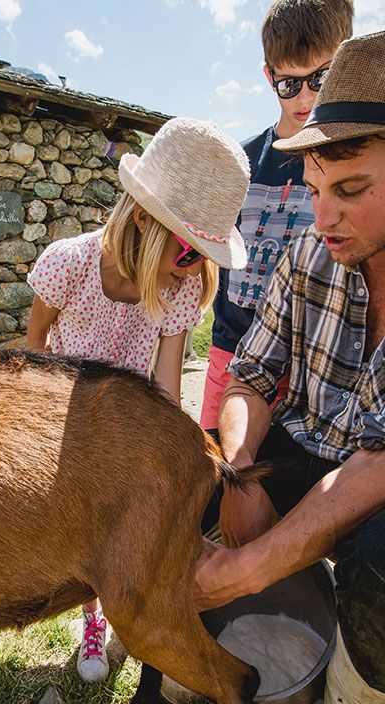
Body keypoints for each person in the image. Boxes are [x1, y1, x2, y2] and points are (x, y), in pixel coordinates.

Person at [195, 31, 385, 704]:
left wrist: (250, 566)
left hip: (374, 477)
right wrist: (240, 473)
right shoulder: (311, 254)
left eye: (351, 189)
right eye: (313, 188)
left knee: (382, 560)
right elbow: (248, 376)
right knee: (196, 478)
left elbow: (376, 464)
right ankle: (203, 643)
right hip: (313, 449)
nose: (323, 215)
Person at [26, 117, 250, 682]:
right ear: (145, 220)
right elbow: (35, 346)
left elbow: (169, 387)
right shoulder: (68, 264)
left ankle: (126, 611)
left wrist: (175, 459)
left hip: (127, 424)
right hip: (65, 416)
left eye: (205, 256)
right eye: (190, 253)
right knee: (79, 527)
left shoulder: (181, 288)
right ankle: (92, 618)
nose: (194, 270)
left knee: (122, 525)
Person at [199, 0, 354, 436]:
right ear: (269, 77)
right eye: (289, 83)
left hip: (314, 367)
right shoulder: (241, 162)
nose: (305, 97)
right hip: (232, 353)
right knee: (215, 465)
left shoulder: (354, 165)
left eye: (320, 78)